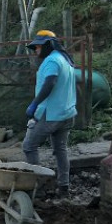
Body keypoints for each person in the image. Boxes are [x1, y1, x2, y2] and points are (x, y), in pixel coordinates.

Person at [23, 30, 77, 196]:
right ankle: (64, 187)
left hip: (51, 114)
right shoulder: (66, 60)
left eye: (38, 47)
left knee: (29, 146)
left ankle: (37, 189)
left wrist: (34, 103)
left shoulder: (52, 60)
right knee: (60, 149)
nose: (36, 50)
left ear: (48, 45)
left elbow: (50, 82)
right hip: (67, 113)